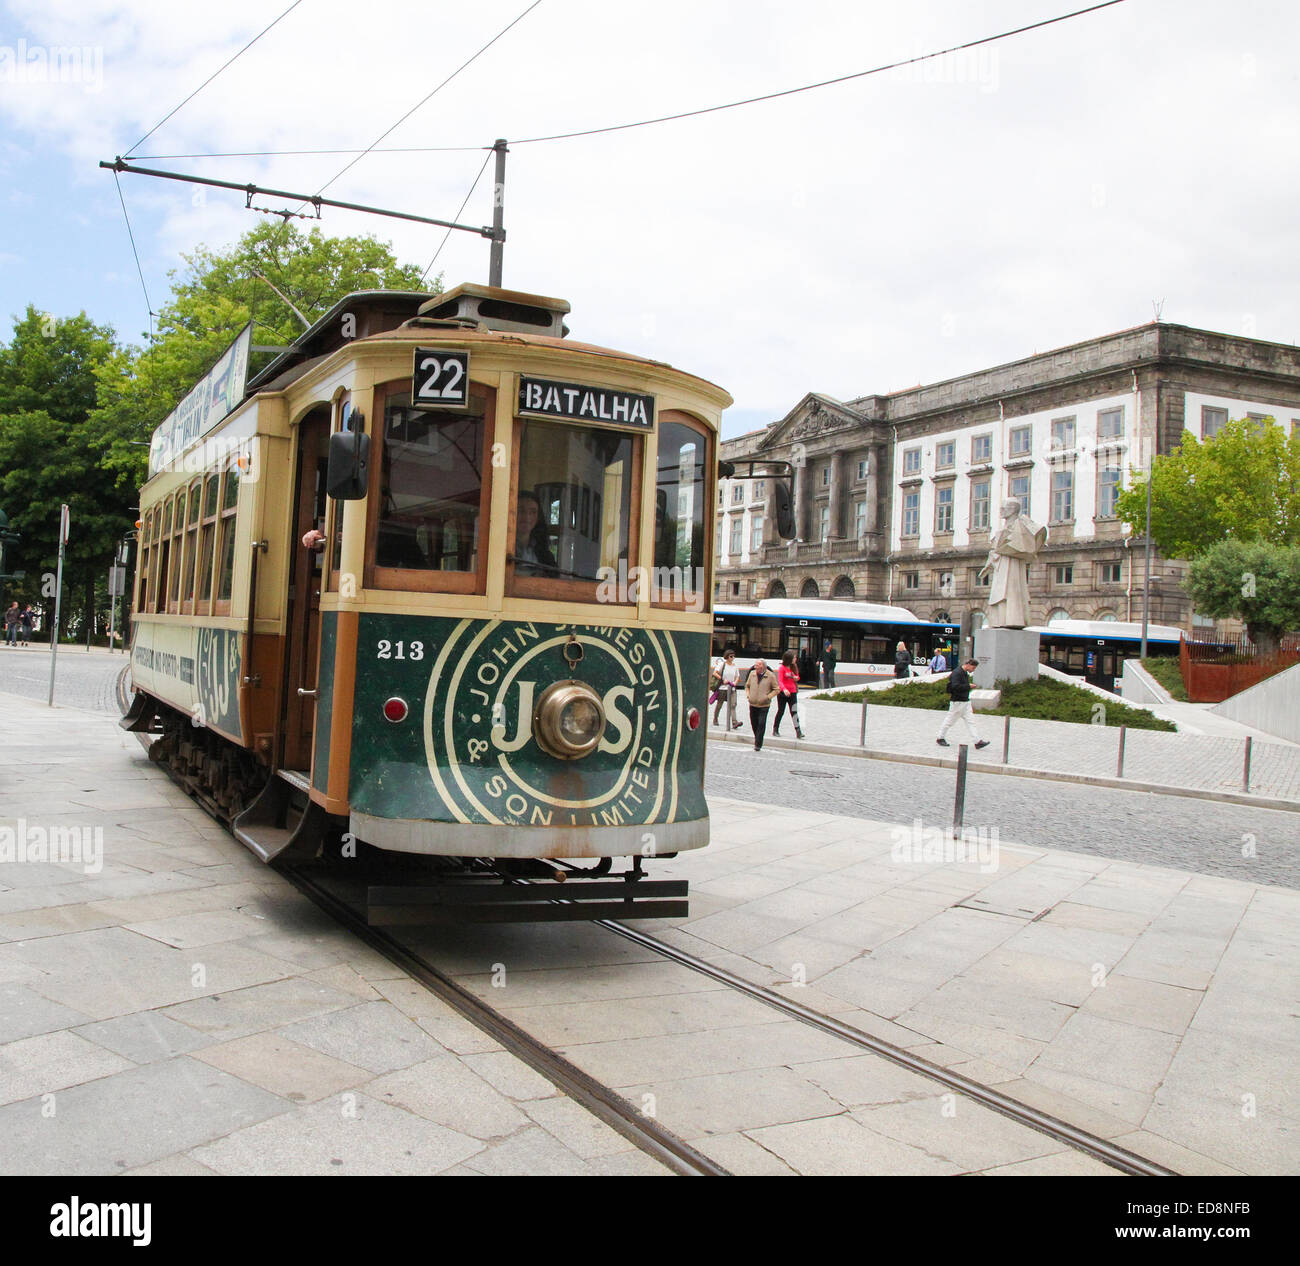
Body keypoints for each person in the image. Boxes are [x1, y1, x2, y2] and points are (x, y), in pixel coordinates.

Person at [979, 497, 1047, 628]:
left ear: (1013, 509)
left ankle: (1012, 619)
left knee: (1011, 591)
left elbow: (1033, 541)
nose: (1001, 511)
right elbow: (995, 551)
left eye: (1004, 508)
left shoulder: (1022, 526)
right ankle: (1000, 620)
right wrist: (989, 563)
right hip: (1001, 566)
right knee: (1000, 592)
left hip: (1013, 566)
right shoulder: (1001, 531)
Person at [936, 657, 990, 750]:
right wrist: (968, 686)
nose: (973, 670)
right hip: (957, 702)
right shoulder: (957, 673)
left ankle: (977, 741)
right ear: (968, 665)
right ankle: (940, 737)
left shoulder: (963, 672)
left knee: (971, 722)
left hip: (965, 702)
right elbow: (955, 686)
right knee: (950, 721)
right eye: (973, 668)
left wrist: (967, 687)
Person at [514, 491, 557, 576]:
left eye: (533, 512)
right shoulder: (501, 548)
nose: (527, 517)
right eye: (521, 511)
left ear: (538, 517)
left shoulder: (546, 556)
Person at [745, 658, 779, 750]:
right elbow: (747, 686)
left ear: (763, 666)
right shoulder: (752, 674)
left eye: (758, 665)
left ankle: (758, 744)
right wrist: (748, 695)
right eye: (755, 665)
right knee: (754, 723)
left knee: (761, 723)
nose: (756, 666)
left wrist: (768, 697)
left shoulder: (770, 676)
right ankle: (757, 738)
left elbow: (776, 689)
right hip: (752, 703)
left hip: (764, 705)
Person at [773, 649, 804, 739]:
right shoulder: (782, 668)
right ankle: (775, 729)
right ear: (789, 658)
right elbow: (780, 681)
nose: (795, 659)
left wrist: (795, 678)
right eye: (794, 657)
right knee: (781, 711)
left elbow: (798, 677)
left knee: (794, 712)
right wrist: (784, 690)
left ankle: (798, 731)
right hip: (783, 693)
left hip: (793, 691)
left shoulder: (794, 667)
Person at [712, 650, 743, 728]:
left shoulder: (735, 666)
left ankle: (734, 722)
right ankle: (715, 718)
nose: (733, 658)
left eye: (733, 656)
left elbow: (737, 676)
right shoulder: (722, 664)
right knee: (720, 703)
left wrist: (735, 682)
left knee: (733, 705)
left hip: (732, 688)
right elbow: (714, 673)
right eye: (731, 656)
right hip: (723, 688)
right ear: (727, 656)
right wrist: (722, 680)